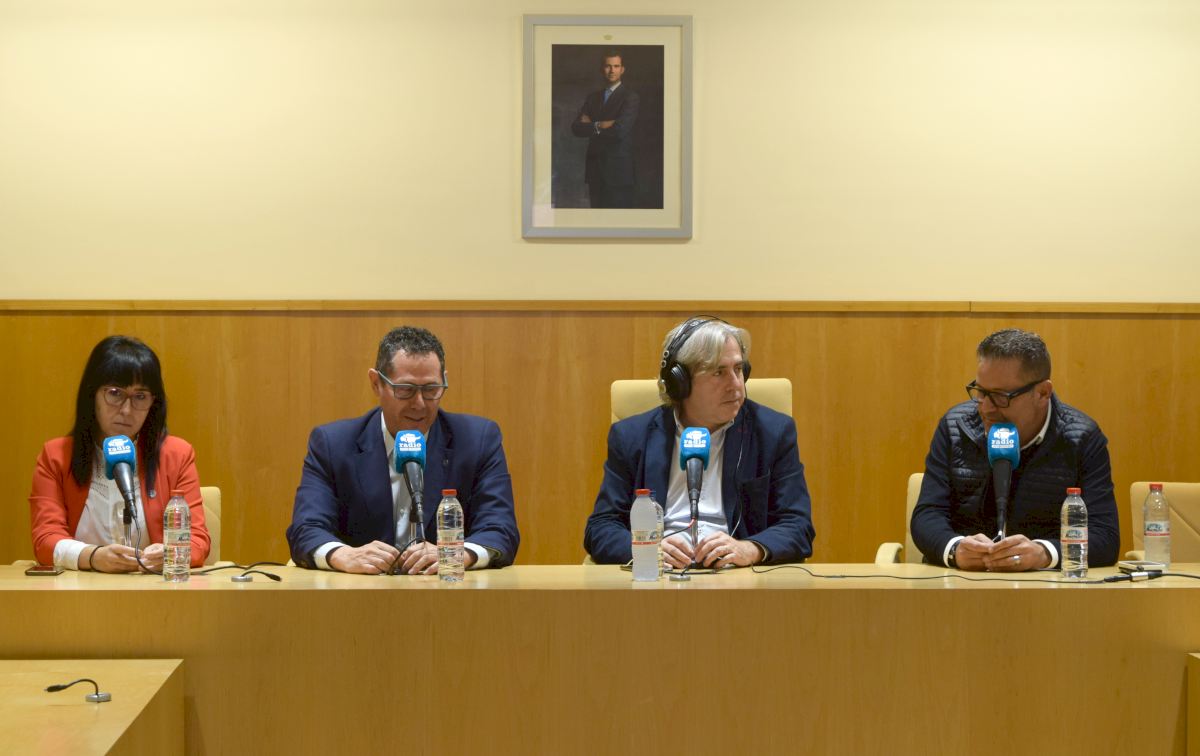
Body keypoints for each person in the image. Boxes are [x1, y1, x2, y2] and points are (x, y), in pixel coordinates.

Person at [584, 317, 815, 567]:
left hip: (736, 576)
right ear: (680, 383)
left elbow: (798, 525)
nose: (736, 385)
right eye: (718, 372)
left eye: (738, 369)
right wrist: (647, 549)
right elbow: (601, 527)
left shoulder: (772, 432)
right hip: (660, 575)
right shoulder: (631, 436)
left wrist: (750, 549)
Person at [287, 326, 520, 574]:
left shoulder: (477, 440)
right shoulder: (333, 444)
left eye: (431, 390)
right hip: (360, 591)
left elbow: (501, 530)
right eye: (406, 389)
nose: (419, 404)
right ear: (376, 383)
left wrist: (457, 554)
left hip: (446, 591)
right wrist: (342, 555)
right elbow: (306, 528)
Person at [911, 328, 1119, 571]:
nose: (986, 408)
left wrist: (1044, 553)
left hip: (1044, 586)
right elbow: (927, 515)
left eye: (1001, 397)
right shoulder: (954, 426)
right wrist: (955, 548)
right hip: (962, 582)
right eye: (981, 392)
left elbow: (1105, 536)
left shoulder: (1082, 438)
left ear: (1042, 393)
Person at [29, 335, 210, 572]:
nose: (126, 410)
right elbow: (45, 539)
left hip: (153, 588)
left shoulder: (177, 455)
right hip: (79, 590)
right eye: (115, 393)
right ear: (92, 395)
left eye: (140, 397)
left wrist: (169, 553)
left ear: (153, 403)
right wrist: (93, 556)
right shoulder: (56, 456)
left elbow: (197, 541)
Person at [570, 50, 640, 209]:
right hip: (595, 170)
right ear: (602, 69)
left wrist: (591, 125)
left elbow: (619, 131)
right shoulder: (593, 98)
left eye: (616, 66)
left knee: (618, 220)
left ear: (622, 69)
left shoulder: (630, 97)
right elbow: (576, 128)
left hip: (618, 172)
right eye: (608, 66)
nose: (612, 70)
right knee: (597, 219)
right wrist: (600, 124)